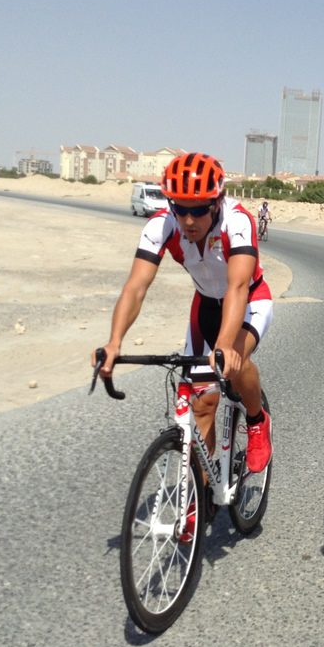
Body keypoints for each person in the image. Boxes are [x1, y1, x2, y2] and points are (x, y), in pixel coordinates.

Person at [94, 152, 273, 472]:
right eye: (180, 209)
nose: (188, 220)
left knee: (235, 360)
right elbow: (136, 287)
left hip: (249, 301)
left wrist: (224, 346)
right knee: (203, 404)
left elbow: (238, 287)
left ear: (217, 202)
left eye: (199, 210)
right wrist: (114, 342)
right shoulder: (161, 225)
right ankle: (197, 502)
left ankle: (258, 420)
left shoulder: (238, 221)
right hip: (205, 304)